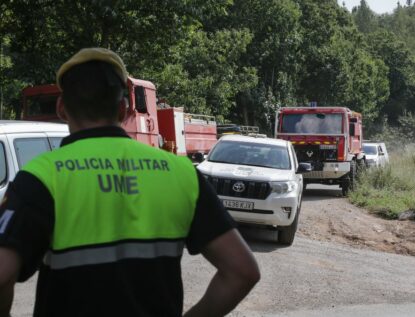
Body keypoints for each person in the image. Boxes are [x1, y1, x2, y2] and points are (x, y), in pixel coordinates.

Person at [0, 48, 260, 317]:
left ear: (62, 108)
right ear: (123, 108)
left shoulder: (41, 176)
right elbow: (242, 272)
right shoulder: (181, 173)